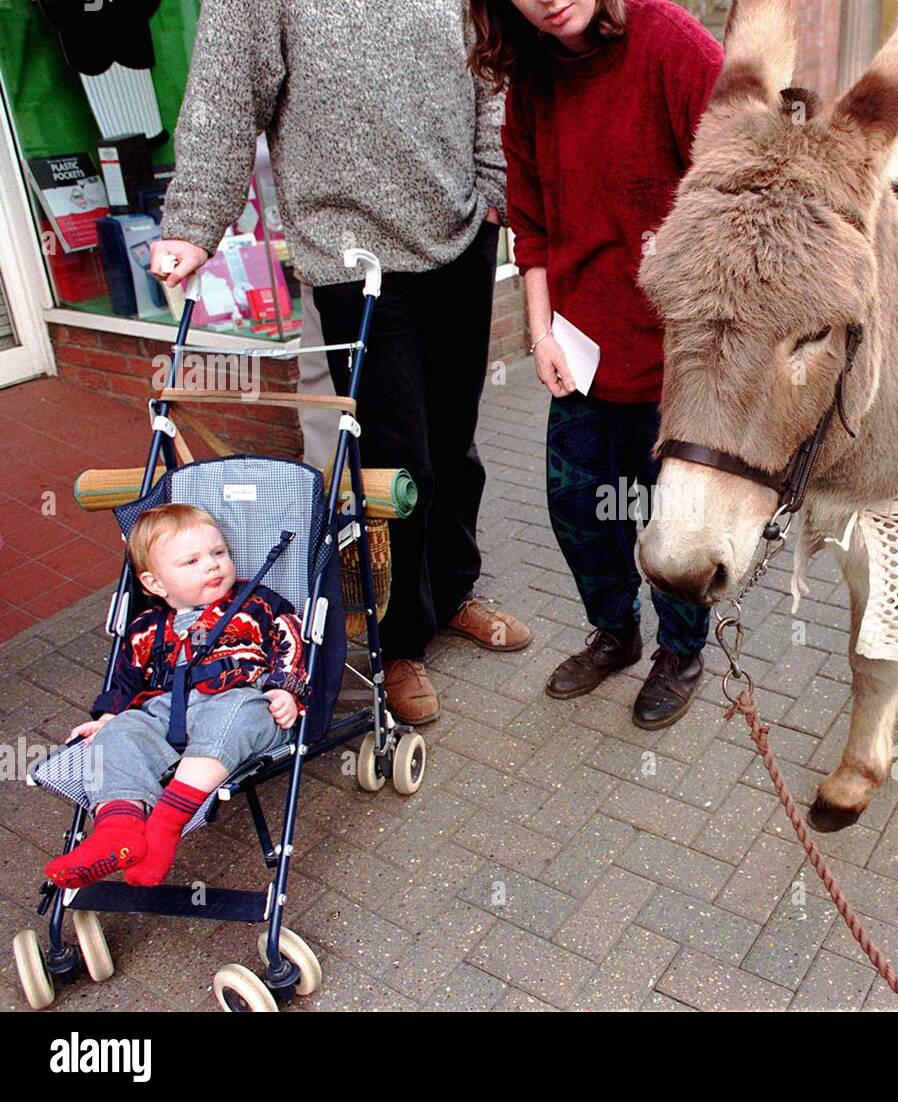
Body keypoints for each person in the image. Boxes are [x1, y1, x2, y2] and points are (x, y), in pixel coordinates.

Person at [149, 1, 532, 728]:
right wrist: (195, 220)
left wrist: (493, 191)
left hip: (462, 238)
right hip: (353, 255)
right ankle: (400, 640)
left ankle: (453, 592)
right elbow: (227, 94)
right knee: (397, 460)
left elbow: (489, 74)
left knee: (455, 441)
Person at [475, 0, 722, 730]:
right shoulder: (533, 82)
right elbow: (534, 224)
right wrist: (541, 331)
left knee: (674, 522)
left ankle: (682, 653)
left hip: (680, 356)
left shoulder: (676, 47)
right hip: (581, 351)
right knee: (580, 509)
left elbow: (738, 196)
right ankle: (617, 633)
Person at [43, 505, 307, 890]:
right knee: (122, 733)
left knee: (235, 712)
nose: (213, 566)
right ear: (155, 584)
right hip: (167, 714)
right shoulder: (144, 629)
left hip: (243, 701)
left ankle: (166, 821)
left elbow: (291, 638)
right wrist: (108, 718)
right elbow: (126, 681)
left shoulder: (257, 603)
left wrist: (285, 687)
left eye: (219, 553)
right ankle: (118, 831)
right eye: (192, 561)